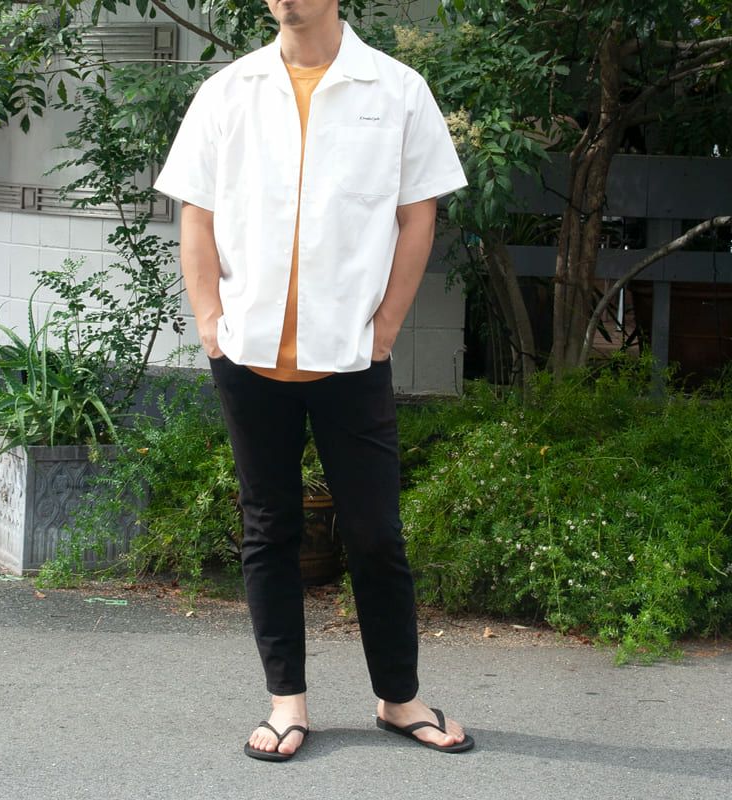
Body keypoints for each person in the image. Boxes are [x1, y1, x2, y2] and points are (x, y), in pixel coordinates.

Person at [155, 0, 473, 761]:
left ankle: (399, 699)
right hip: (249, 354)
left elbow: (418, 214)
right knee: (270, 529)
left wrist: (386, 326)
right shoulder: (228, 91)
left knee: (375, 531)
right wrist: (210, 322)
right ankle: (286, 703)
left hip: (351, 356)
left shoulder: (396, 90)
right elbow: (196, 214)